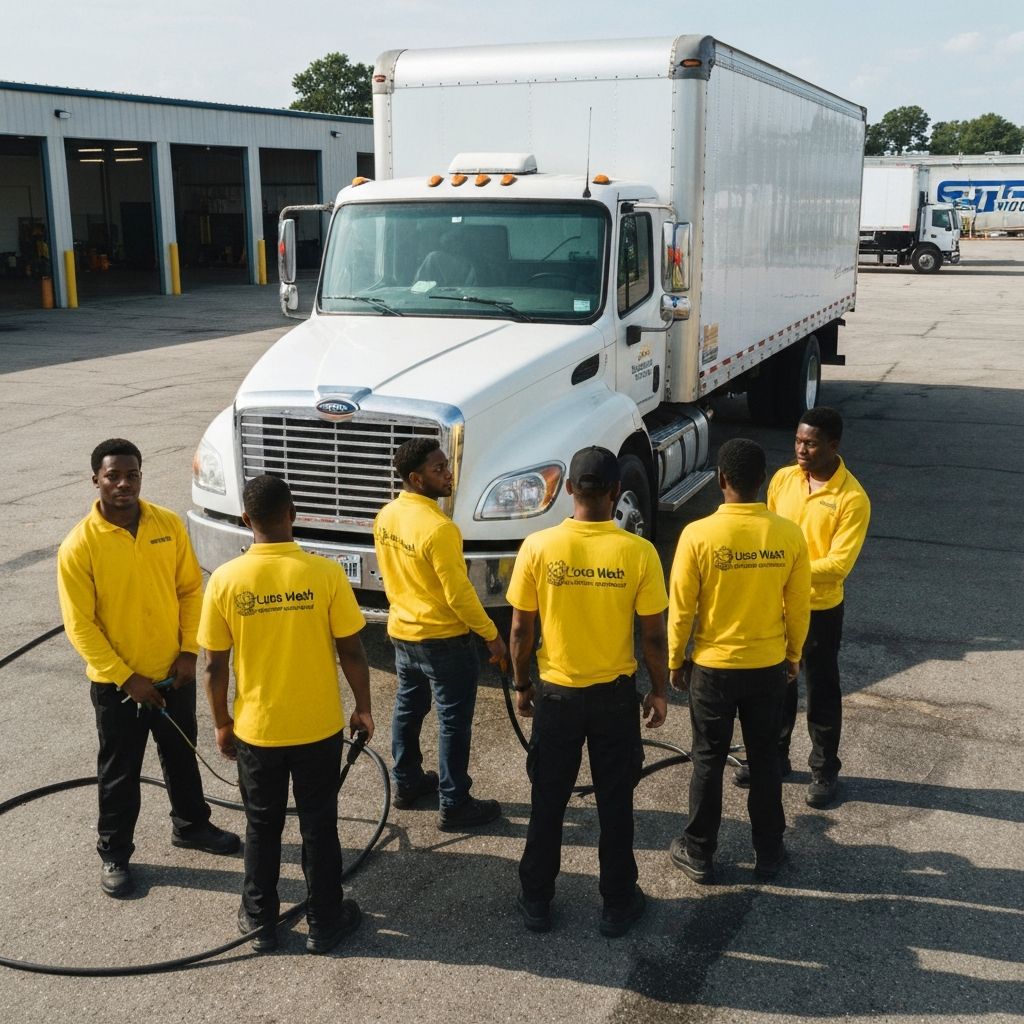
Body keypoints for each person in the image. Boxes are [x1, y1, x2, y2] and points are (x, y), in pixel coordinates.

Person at [198, 474, 374, 954]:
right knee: (319, 824)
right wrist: (363, 708)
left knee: (262, 824)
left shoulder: (226, 580)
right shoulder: (325, 574)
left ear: (245, 520)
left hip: (258, 730)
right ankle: (325, 921)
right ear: (293, 514)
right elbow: (353, 652)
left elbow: (214, 664)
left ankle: (261, 921)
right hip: (318, 728)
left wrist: (220, 723)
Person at [57, 438, 239, 899]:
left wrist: (187, 651)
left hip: (172, 672)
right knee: (120, 771)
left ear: (142, 475)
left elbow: (188, 591)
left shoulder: (167, 524)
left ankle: (192, 825)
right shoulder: (80, 545)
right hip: (119, 686)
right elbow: (81, 625)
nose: (123, 483)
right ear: (95, 479)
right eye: (112, 475)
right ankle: (115, 853)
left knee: (181, 754)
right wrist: (125, 677)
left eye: (131, 474)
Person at [507, 446, 669, 938]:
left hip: (557, 697)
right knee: (615, 803)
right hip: (614, 699)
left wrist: (522, 683)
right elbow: (654, 636)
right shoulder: (638, 552)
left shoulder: (537, 547)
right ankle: (617, 903)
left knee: (548, 801)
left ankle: (537, 900)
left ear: (570, 490)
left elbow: (519, 630)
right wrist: (659, 690)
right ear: (617, 493)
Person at [667, 438, 810, 883]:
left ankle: (700, 852)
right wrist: (793, 655)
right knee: (765, 759)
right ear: (763, 482)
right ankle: (769, 851)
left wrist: (676, 659)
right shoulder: (788, 534)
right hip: (767, 666)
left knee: (707, 759)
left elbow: (682, 607)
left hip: (713, 667)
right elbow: (799, 605)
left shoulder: (698, 535)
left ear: (721, 480)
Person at [373, 438, 507, 830]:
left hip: (403, 634)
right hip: (444, 641)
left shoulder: (386, 516)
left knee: (408, 707)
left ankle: (407, 782)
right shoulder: (439, 529)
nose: (448, 474)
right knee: (452, 721)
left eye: (447, 465)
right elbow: (459, 595)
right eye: (438, 470)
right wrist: (490, 634)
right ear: (416, 478)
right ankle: (455, 803)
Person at [753, 406, 870, 808]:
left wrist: (784, 568)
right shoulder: (784, 479)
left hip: (820, 608)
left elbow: (839, 565)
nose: (801, 449)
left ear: (833, 446)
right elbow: (765, 529)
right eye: (798, 441)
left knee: (820, 689)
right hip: (778, 603)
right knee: (776, 685)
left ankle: (824, 769)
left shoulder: (852, 498)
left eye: (811, 443)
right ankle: (774, 757)